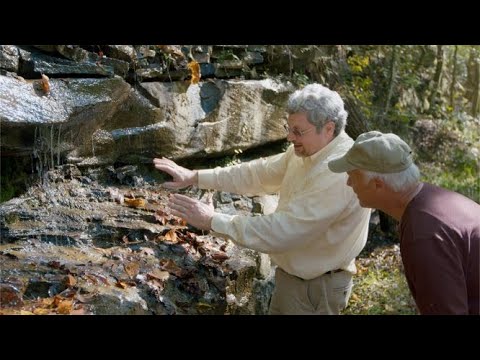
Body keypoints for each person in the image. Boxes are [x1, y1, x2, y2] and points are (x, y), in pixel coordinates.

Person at [154, 84, 371, 315]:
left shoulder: (339, 170)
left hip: (316, 289)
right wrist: (195, 177)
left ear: (329, 128)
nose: (289, 137)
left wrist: (212, 221)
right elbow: (258, 173)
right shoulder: (310, 150)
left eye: (298, 131)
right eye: (288, 128)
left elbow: (284, 230)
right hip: (295, 279)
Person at [328, 131, 480, 315]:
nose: (349, 183)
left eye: (353, 175)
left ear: (377, 184)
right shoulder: (431, 198)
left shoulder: (424, 235)